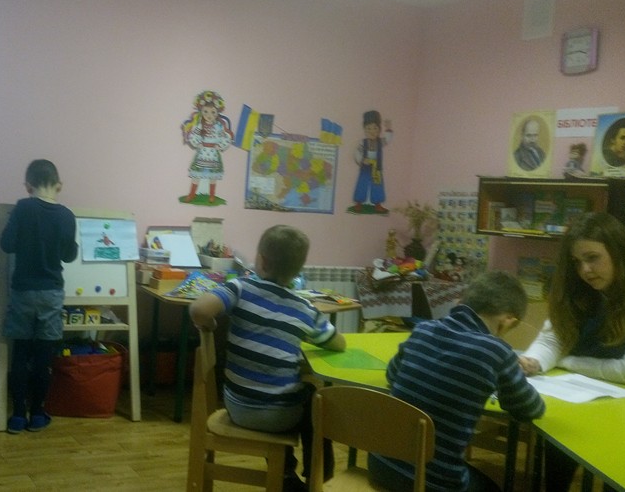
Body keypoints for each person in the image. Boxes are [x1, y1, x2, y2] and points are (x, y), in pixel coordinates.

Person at [189, 225, 346, 491]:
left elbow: (199, 310)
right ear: (298, 272)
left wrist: (212, 325)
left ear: (260, 260)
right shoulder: (304, 308)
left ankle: (285, 474)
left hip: (236, 407)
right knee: (314, 398)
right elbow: (338, 343)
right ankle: (319, 478)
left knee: (280, 392)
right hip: (281, 417)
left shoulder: (240, 288)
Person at [368, 271, 546, 492]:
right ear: (508, 320)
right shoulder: (496, 351)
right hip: (433, 484)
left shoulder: (423, 329)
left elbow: (392, 375)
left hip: (380, 466)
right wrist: (510, 372)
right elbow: (529, 409)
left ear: (460, 302)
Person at [518, 212, 625, 492]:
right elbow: (553, 338)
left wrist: (568, 362)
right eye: (577, 262)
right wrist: (533, 361)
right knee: (556, 443)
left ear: (619, 252)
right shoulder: (578, 289)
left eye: (593, 258)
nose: (585, 270)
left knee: (620, 477)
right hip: (578, 397)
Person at [1, 159, 78, 434]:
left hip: (23, 291)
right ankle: (37, 413)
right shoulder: (67, 215)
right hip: (51, 292)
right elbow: (69, 255)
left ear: (28, 186)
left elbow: (6, 244)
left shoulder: (23, 207)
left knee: (20, 354)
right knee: (44, 357)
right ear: (59, 185)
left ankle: (17, 415)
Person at [181, 90, 233, 204]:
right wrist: (197, 143)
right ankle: (192, 194)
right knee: (196, 175)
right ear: (201, 112)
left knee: (213, 176)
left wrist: (220, 145)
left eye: (213, 112)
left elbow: (225, 137)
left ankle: (212, 195)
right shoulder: (200, 125)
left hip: (213, 154)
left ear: (217, 113)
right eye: (206, 112)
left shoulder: (219, 126)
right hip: (202, 153)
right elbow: (193, 135)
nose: (209, 115)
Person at [348, 110, 393, 214]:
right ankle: (358, 202)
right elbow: (357, 153)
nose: (372, 131)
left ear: (379, 129)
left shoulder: (380, 142)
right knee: (362, 183)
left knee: (378, 184)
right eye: (368, 128)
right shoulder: (363, 142)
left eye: (375, 128)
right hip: (365, 167)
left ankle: (377, 204)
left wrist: (388, 129)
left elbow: (388, 139)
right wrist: (362, 160)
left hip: (377, 167)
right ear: (364, 129)